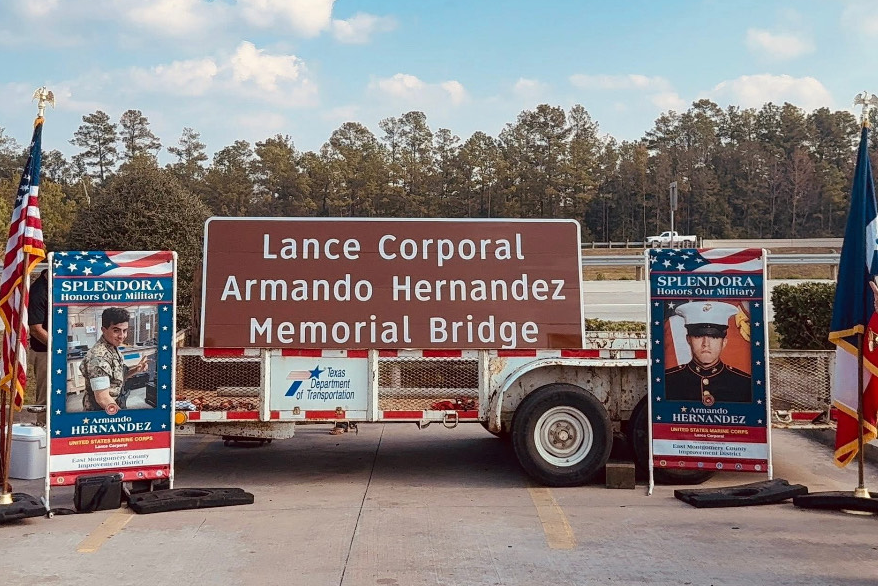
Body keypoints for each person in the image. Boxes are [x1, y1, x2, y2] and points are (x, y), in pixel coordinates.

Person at [664, 301, 751, 405]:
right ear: (688, 339)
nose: (706, 344)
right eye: (698, 336)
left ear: (724, 342)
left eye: (714, 337)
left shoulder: (744, 383)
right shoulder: (668, 381)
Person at [80, 307, 148, 414]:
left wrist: (136, 369)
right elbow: (103, 399)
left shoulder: (112, 347)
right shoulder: (98, 358)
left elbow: (116, 377)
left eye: (125, 330)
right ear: (103, 330)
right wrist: (122, 418)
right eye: (116, 330)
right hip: (100, 414)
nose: (122, 336)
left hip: (113, 406)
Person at [27, 269, 49, 425]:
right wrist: (58, 347)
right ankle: (43, 428)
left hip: (55, 351)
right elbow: (35, 329)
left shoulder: (57, 286)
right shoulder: (39, 291)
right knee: (45, 393)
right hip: (44, 353)